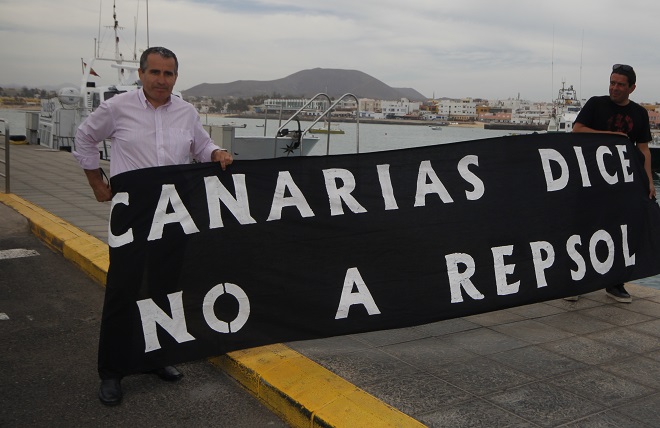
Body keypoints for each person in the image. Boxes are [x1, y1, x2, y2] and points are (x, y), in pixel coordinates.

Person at [73, 46, 233, 406]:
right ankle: (112, 371)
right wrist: (96, 181)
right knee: (123, 289)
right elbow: (85, 137)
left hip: (173, 211)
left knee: (165, 288)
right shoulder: (117, 108)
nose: (162, 80)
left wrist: (216, 153)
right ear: (142, 74)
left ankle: (157, 358)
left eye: (168, 73)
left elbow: (201, 145)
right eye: (155, 72)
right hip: (132, 213)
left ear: (176, 77)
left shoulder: (186, 112)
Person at [566, 63, 654, 304]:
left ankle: (615, 283)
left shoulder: (639, 113)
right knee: (583, 229)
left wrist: (648, 180)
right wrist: (613, 136)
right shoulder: (596, 104)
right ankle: (576, 282)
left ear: (631, 88)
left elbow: (643, 149)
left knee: (621, 231)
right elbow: (577, 130)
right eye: (612, 83)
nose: (614, 88)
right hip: (590, 178)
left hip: (622, 182)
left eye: (620, 84)